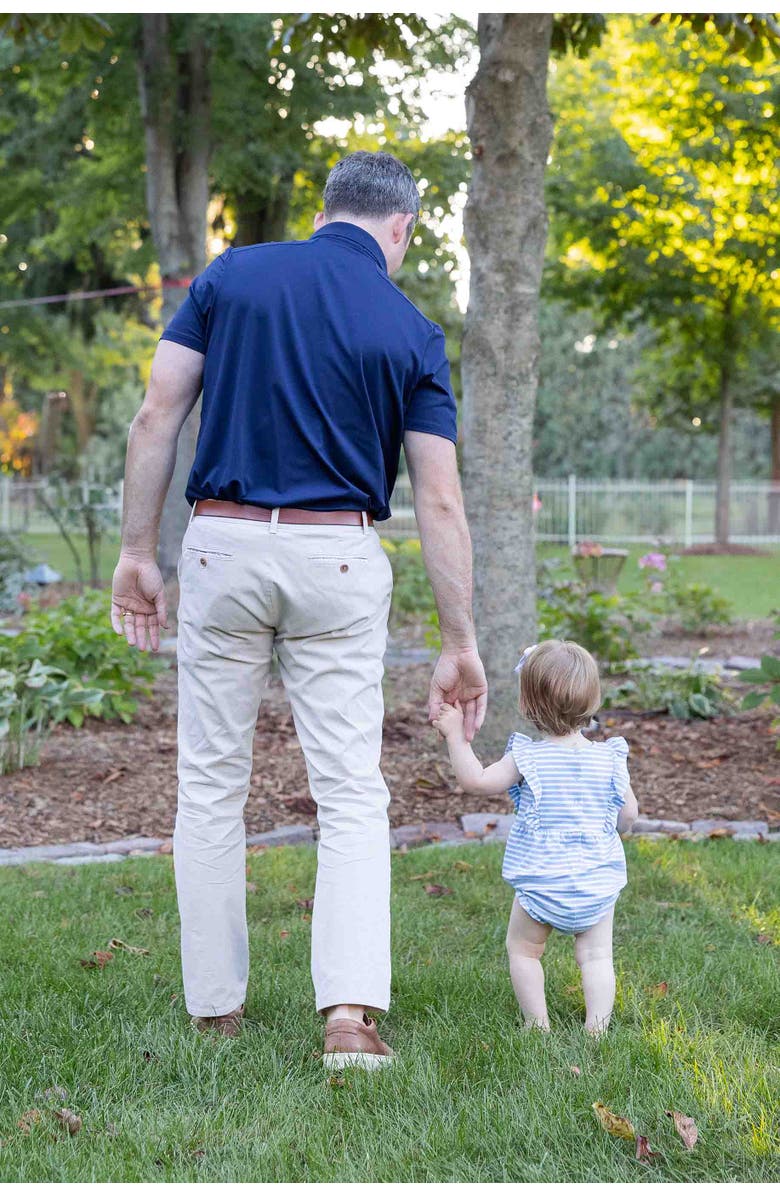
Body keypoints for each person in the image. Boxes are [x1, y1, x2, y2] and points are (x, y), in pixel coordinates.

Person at [111, 151, 487, 1067]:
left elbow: (157, 416)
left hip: (223, 542)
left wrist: (134, 551)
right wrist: (460, 640)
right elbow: (439, 500)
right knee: (352, 791)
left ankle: (216, 1012)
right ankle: (349, 1021)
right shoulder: (412, 329)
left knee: (209, 782)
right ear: (400, 229)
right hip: (341, 557)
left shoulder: (231, 274)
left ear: (327, 212)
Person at [433, 639, 638, 1035]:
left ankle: (536, 1025)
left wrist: (456, 736)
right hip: (596, 881)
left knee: (524, 951)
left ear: (527, 705)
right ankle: (596, 1029)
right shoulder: (610, 758)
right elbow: (628, 814)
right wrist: (615, 829)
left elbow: (476, 781)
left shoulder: (528, 757)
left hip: (542, 880)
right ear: (592, 700)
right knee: (596, 956)